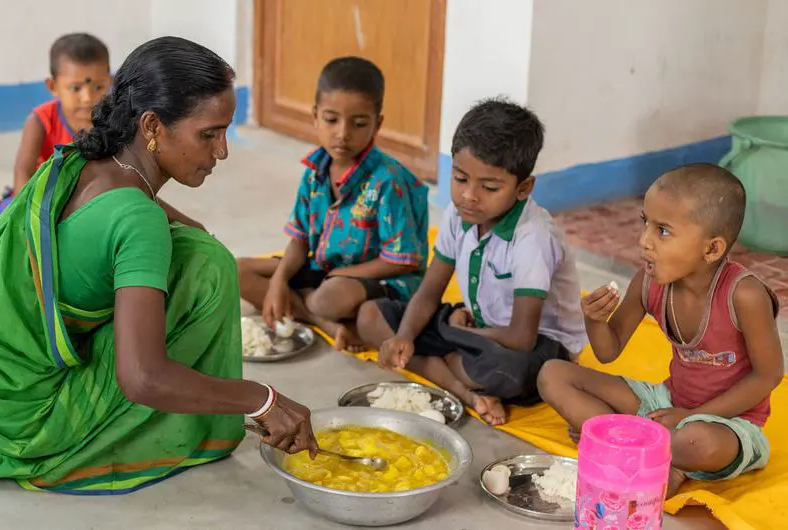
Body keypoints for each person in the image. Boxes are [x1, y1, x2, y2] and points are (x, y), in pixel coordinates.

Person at [0, 36, 317, 494]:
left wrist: (186, 222)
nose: (221, 151)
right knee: (208, 267)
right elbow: (142, 378)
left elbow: (142, 207)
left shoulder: (88, 156)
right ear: (153, 125)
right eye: (209, 134)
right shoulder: (138, 222)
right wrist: (261, 400)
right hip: (20, 417)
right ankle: (190, 431)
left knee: (201, 250)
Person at [539, 164, 782, 498]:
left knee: (698, 442)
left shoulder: (744, 295)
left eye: (663, 231)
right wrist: (595, 320)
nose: (644, 241)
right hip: (664, 403)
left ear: (711, 249)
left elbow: (768, 376)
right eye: (645, 223)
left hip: (729, 422)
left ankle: (643, 451)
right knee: (552, 374)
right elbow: (608, 352)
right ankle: (646, 451)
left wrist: (694, 415)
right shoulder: (648, 282)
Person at [360, 98, 585, 426]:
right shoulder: (460, 214)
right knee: (370, 317)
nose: (469, 195)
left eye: (489, 187)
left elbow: (522, 336)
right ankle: (463, 389)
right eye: (461, 178)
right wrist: (405, 335)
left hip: (538, 346)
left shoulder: (532, 237)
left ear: (523, 188)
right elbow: (429, 291)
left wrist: (460, 331)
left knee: (498, 371)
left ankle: (451, 368)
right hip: (475, 328)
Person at [237, 57, 428, 352]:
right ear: (315, 116)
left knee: (327, 298)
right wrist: (278, 281)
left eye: (359, 123)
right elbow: (299, 241)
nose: (342, 133)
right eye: (331, 119)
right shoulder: (314, 172)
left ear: (378, 122)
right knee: (235, 270)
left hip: (382, 280)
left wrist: (343, 275)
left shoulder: (388, 181)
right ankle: (324, 322)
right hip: (326, 268)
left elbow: (402, 259)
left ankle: (312, 309)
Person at [0, 33, 110, 220]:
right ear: (53, 86)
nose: (87, 98)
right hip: (42, 199)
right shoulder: (40, 121)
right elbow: (23, 171)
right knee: (6, 215)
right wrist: (29, 216)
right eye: (75, 88)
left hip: (91, 200)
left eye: (98, 87)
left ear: (109, 81)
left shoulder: (113, 120)